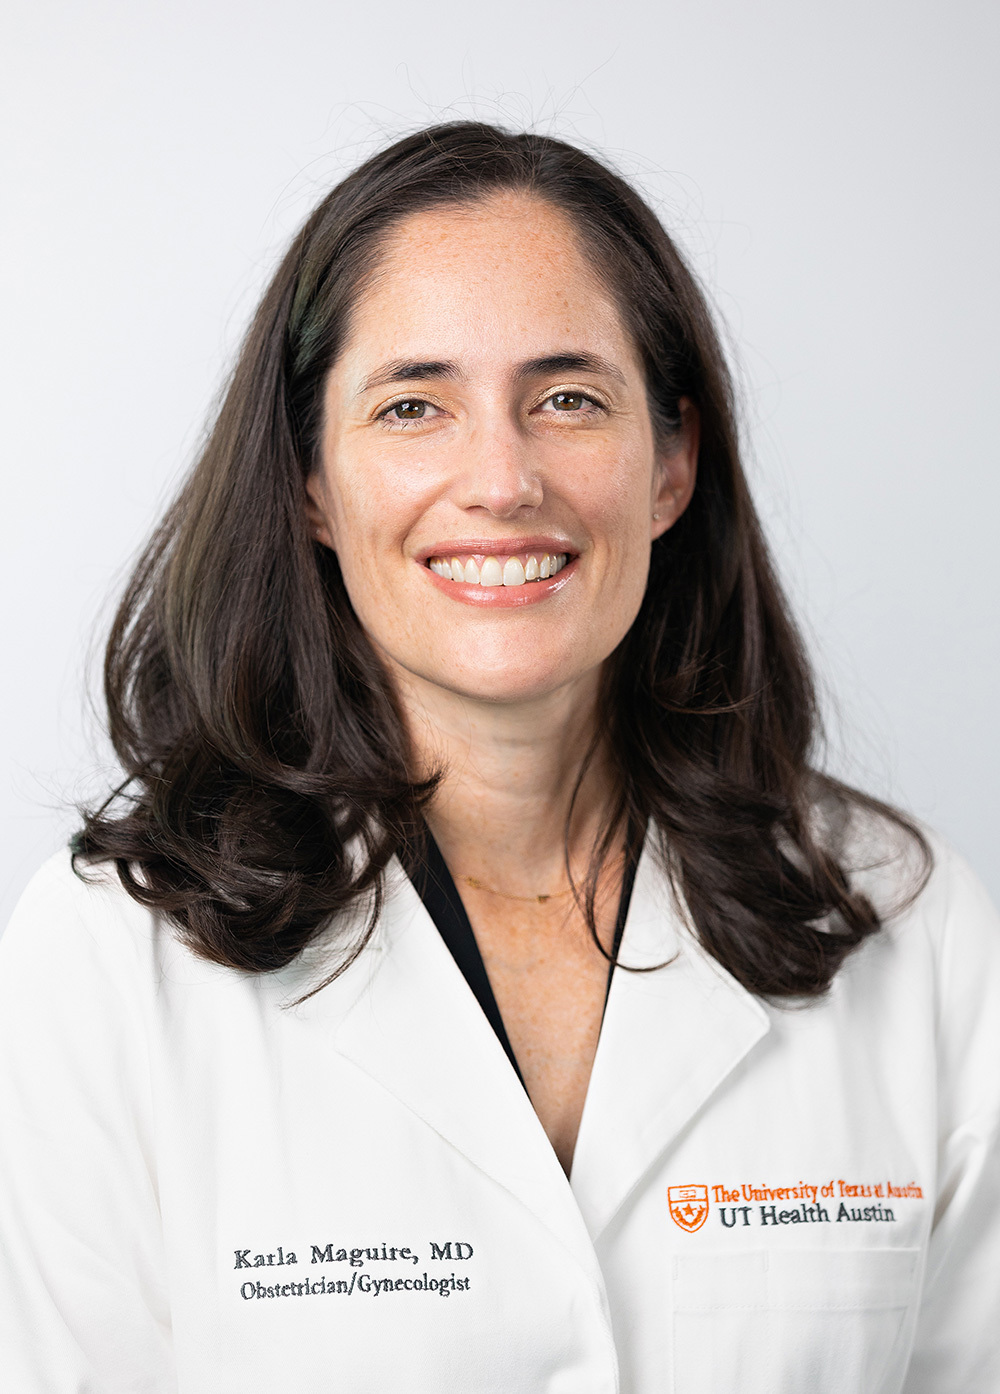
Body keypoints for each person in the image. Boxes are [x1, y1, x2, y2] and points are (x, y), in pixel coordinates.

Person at [0, 121, 997, 1394]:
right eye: (413, 405)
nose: (502, 479)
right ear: (311, 478)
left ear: (672, 463)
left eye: (568, 398)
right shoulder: (106, 966)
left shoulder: (911, 930)